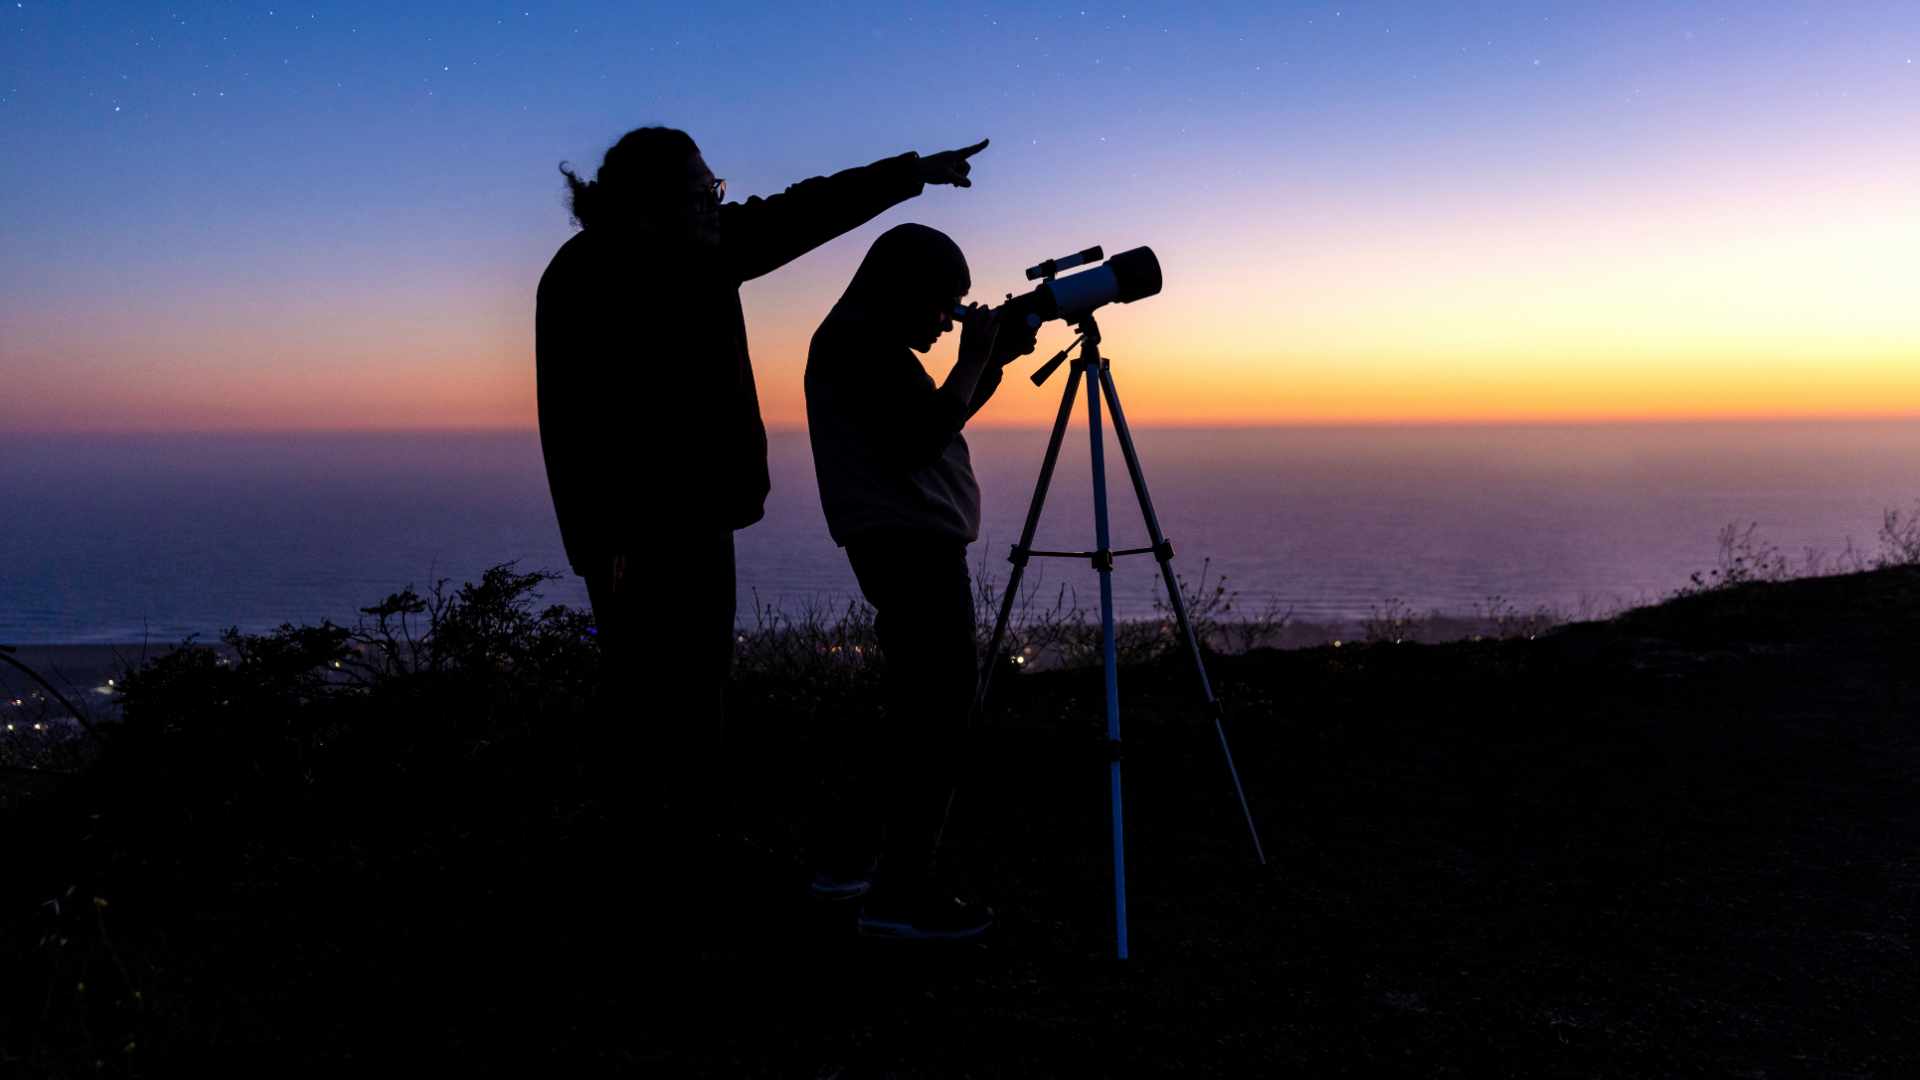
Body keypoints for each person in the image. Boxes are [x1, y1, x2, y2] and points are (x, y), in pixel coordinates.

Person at [534, 129, 991, 797]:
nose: (714, 205)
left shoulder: (699, 248)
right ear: (647, 201)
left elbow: (801, 209)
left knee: (699, 689)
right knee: (650, 696)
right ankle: (647, 850)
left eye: (712, 191)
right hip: (634, 535)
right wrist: (607, 543)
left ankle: (688, 842)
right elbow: (581, 429)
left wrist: (910, 173)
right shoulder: (587, 277)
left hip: (699, 517)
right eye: (701, 193)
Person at [803, 223, 1038, 940]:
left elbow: (932, 421)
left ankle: (847, 864)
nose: (947, 321)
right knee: (936, 719)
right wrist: (974, 361)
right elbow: (915, 442)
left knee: (913, 711)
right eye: (943, 305)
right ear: (901, 287)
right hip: (910, 549)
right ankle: (901, 892)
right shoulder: (858, 347)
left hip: (903, 545)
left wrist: (987, 365)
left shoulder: (865, 345)